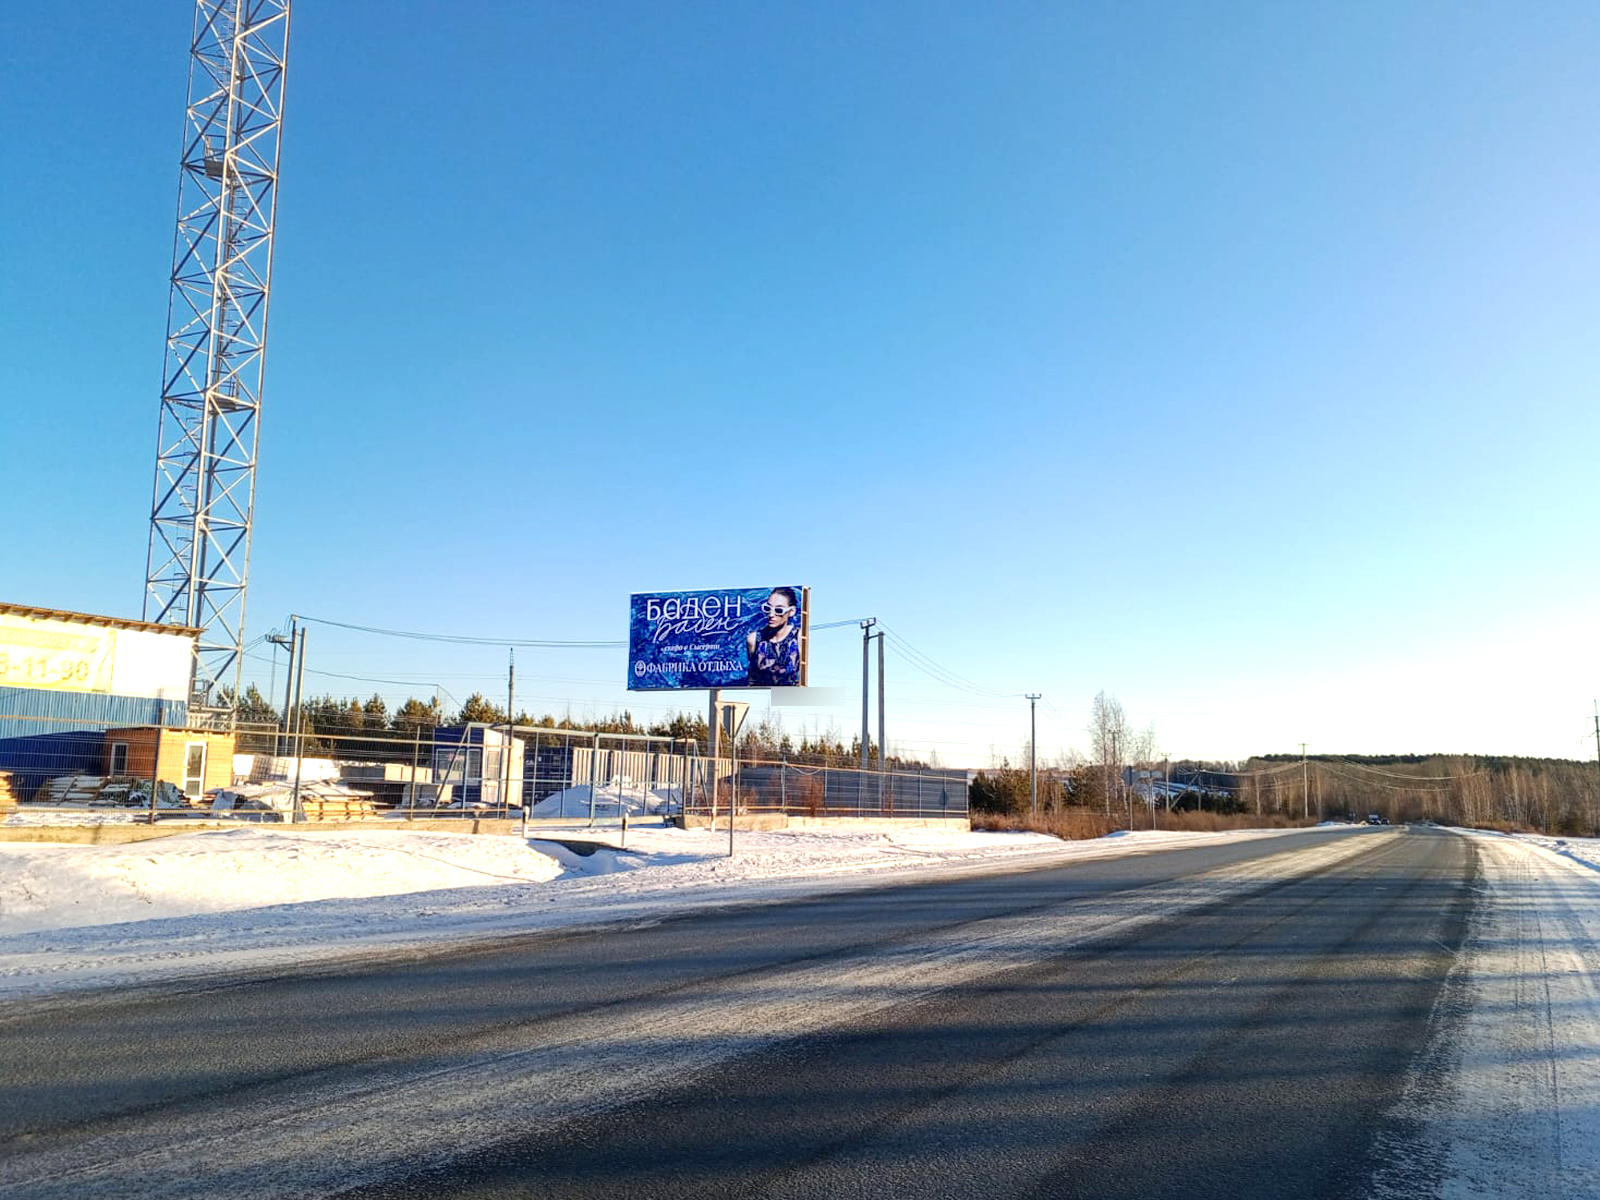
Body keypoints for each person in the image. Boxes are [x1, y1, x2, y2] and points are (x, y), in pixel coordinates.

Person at [746, 587, 801, 686]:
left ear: (791, 611)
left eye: (778, 610)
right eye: (767, 608)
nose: (771, 614)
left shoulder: (799, 638)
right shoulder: (754, 639)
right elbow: (752, 675)